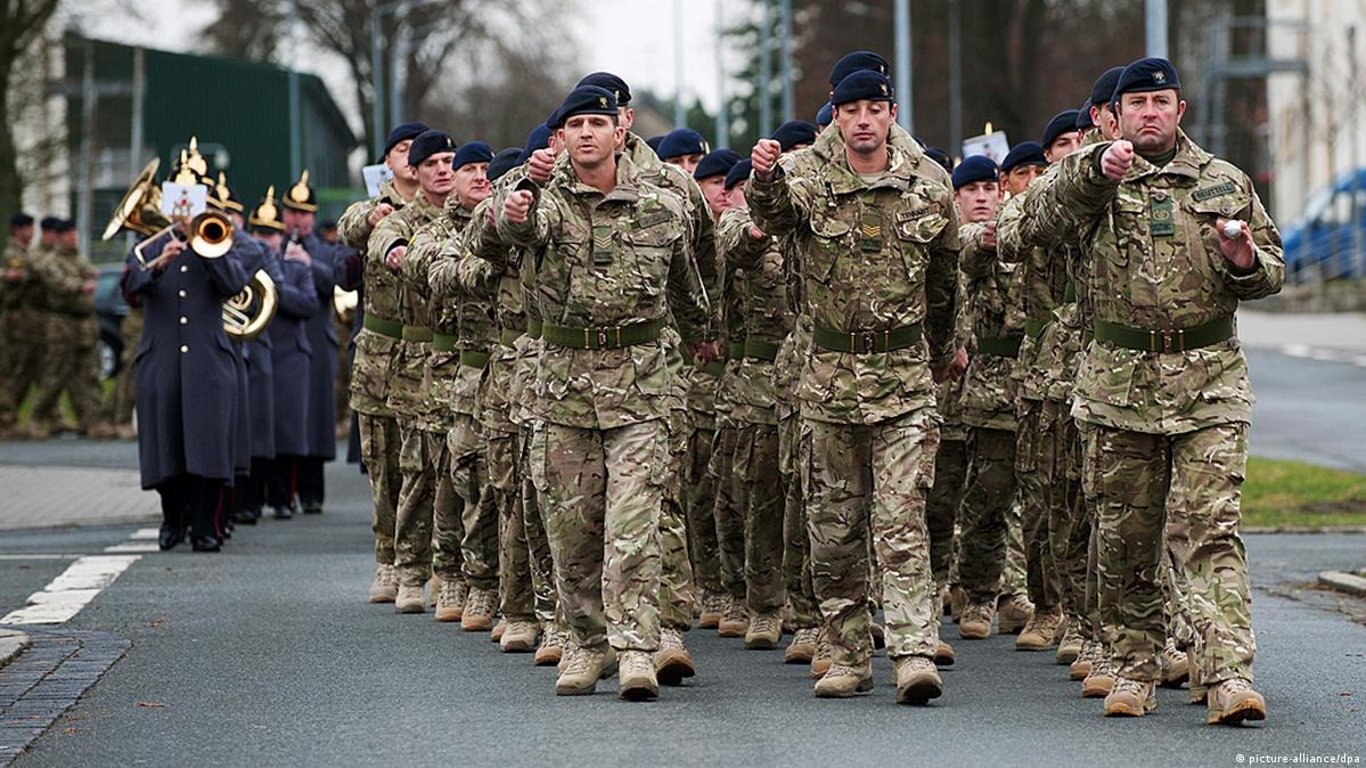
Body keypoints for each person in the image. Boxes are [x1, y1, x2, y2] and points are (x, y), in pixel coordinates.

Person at [1005, 56, 1282, 725]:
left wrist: (1244, 261)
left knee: (1207, 532)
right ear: (1115, 116)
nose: (1151, 112)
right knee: (1126, 535)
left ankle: (1227, 675)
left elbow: (1270, 270)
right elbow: (1026, 226)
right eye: (1139, 103)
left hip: (1208, 384)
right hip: (1118, 389)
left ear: (1180, 110)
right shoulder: (1092, 182)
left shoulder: (1224, 181)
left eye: (1163, 101)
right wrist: (1091, 174)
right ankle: (1134, 664)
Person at [747, 68, 959, 704]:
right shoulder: (806, 176)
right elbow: (774, 214)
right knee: (835, 527)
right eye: (851, 110)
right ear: (835, 116)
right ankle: (845, 653)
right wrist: (762, 177)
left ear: (890, 113)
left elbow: (946, 281)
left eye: (874, 108)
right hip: (830, 382)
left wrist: (946, 352)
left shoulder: (928, 183)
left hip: (904, 381)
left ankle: (914, 651)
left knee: (901, 520)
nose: (863, 120)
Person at [498, 84, 711, 700]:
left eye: (598, 122)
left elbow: (691, 282)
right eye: (575, 124)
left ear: (621, 132)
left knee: (634, 525)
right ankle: (586, 643)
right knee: (573, 529)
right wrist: (517, 202)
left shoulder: (662, 200)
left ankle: (637, 648)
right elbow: (504, 233)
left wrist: (703, 342)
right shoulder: (536, 195)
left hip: (641, 386)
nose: (586, 132)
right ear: (560, 136)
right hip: (563, 387)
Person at [122, 170, 249, 552]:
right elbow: (129, 291)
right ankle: (172, 518)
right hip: (161, 359)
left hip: (208, 361)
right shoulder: (148, 247)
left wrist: (207, 249)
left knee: (208, 447)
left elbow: (234, 285)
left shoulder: (220, 240)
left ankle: (206, 525)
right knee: (166, 445)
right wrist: (159, 263)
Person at [337, 120, 427, 602]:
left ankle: (424, 560)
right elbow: (348, 228)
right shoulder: (373, 212)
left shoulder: (445, 213)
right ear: (387, 162)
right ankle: (388, 558)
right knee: (383, 461)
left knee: (424, 462)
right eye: (402, 150)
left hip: (426, 355)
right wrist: (375, 220)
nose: (412, 158)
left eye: (421, 150)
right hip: (378, 356)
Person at [371, 129, 458, 613]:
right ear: (417, 173)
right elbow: (380, 236)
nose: (443, 170)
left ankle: (451, 571)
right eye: (433, 163)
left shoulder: (470, 217)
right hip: (414, 363)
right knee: (415, 468)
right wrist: (393, 251)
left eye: (450, 161)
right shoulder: (401, 219)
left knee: (457, 470)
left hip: (458, 360)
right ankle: (407, 567)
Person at [279, 170, 342, 516]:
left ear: (313, 216)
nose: (297, 220)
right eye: (291, 212)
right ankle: (282, 491)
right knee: (287, 415)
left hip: (317, 338)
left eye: (303, 213)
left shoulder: (325, 248)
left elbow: (336, 282)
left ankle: (312, 491)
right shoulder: (276, 243)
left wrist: (308, 264)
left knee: (316, 416)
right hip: (285, 340)